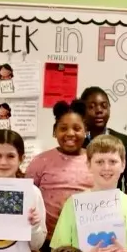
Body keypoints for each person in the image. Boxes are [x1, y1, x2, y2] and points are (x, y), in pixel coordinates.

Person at [25, 100, 94, 240]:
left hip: (86, 240)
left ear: (86, 131)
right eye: (63, 128)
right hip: (46, 240)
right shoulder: (40, 161)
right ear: (54, 132)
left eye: (76, 128)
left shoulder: (95, 161)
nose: (70, 133)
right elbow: (26, 202)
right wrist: (33, 247)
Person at [81, 86, 127, 192]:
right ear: (83, 112)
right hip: (84, 203)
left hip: (116, 203)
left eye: (104, 106)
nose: (99, 111)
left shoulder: (125, 142)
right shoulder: (79, 144)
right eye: (92, 107)